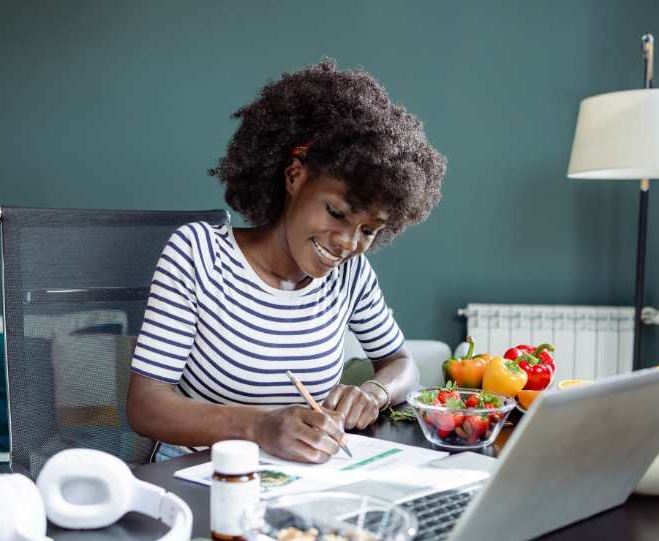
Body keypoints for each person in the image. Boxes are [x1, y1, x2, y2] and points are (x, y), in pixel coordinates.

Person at [126, 59, 445, 464]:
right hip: (202, 476)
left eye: (369, 230)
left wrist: (373, 393)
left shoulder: (350, 275)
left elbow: (401, 364)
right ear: (295, 177)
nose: (349, 243)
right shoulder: (198, 253)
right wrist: (260, 427)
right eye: (337, 212)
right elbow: (147, 406)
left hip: (299, 478)